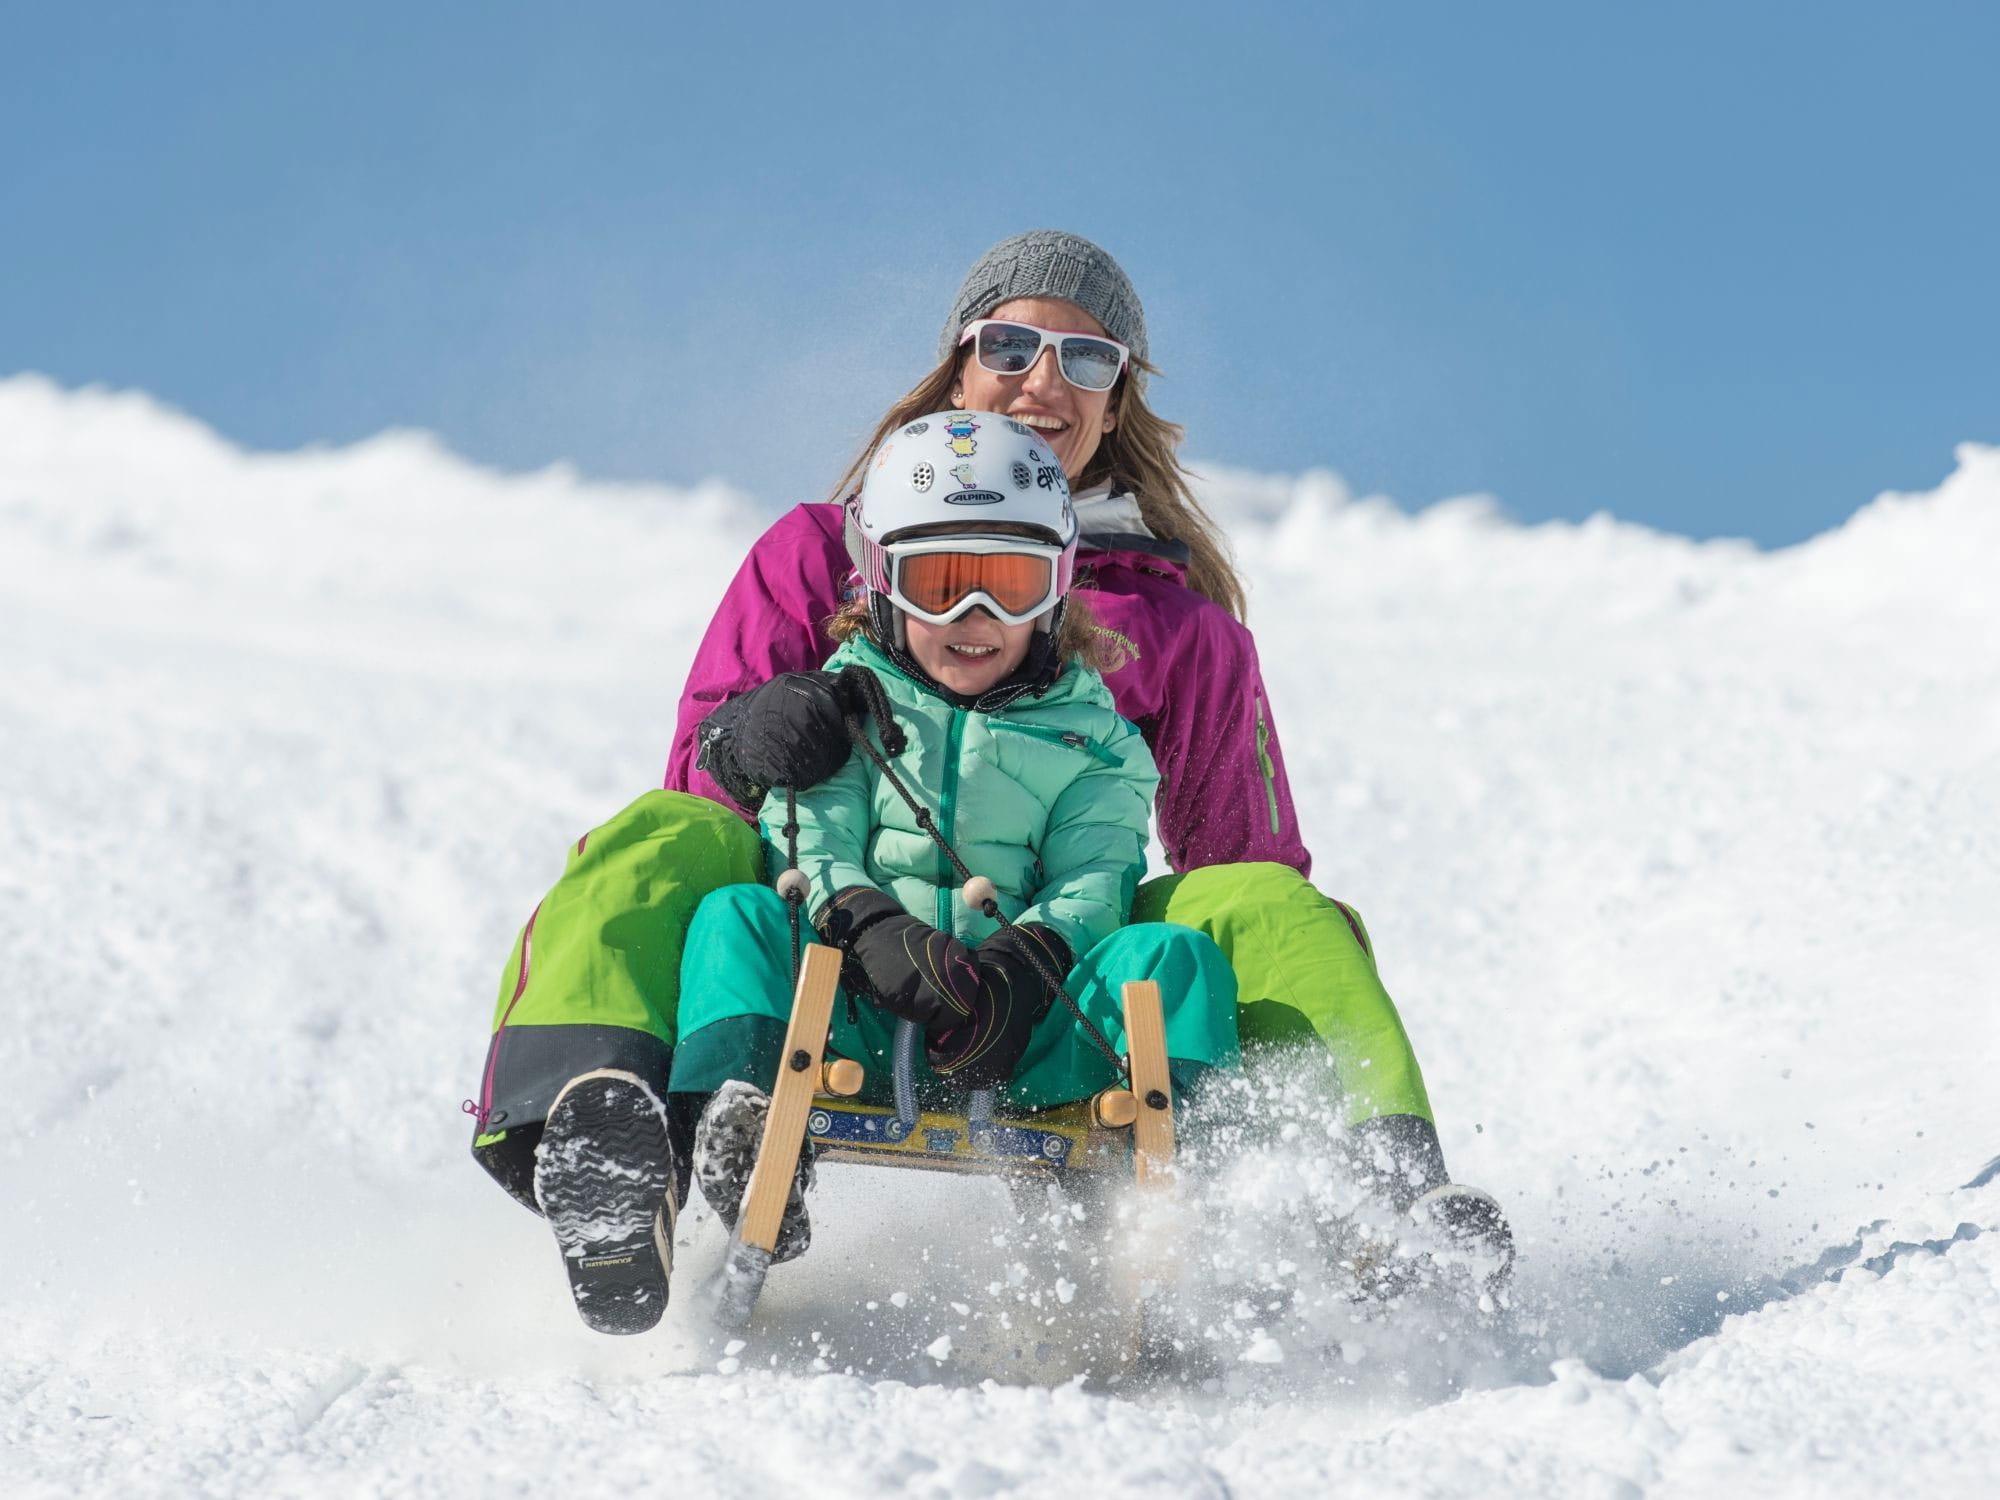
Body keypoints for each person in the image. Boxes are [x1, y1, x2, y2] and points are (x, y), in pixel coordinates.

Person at [468, 231, 1508, 1331]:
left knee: (1264, 904)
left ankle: (1376, 1202)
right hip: (832, 950)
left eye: (1087, 359)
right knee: (667, 835)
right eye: (1009, 344)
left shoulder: (1174, 627)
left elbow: (1236, 859)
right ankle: (604, 1133)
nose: (1043, 381)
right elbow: (707, 793)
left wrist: (1067, 941)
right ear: (956, 366)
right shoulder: (818, 555)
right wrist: (754, 740)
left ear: (1120, 398)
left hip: (1050, 986)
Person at [534, 415, 1241, 1332]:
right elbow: (804, 833)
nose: (972, 618)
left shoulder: (1095, 739)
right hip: (850, 1016)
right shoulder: (849, 702)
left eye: (1010, 585)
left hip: (1032, 1025)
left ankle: (1195, 1220)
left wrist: (1034, 959)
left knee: (1172, 957)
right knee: (738, 917)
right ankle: (738, 1130)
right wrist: (865, 924)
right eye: (938, 584)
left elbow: (1097, 869)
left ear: (1059, 589)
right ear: (878, 583)